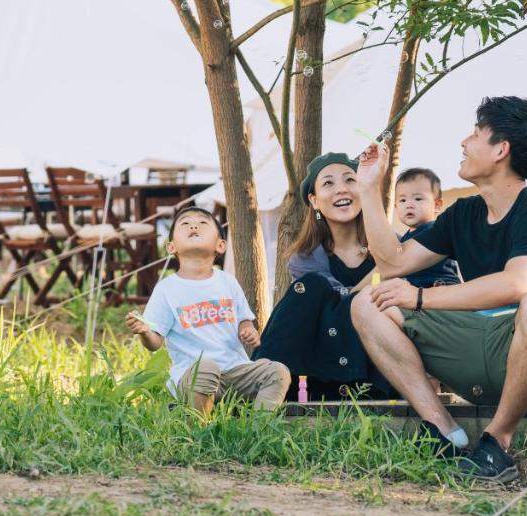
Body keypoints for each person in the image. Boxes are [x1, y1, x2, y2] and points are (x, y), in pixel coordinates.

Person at [352, 96, 527, 483]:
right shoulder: (464, 213)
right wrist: (367, 188)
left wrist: (419, 297)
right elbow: (392, 263)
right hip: (485, 345)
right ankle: (444, 432)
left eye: (475, 134)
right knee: (368, 303)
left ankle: (497, 445)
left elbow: (515, 283)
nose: (463, 143)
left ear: (501, 150)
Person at [126, 206, 290, 414]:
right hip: (194, 375)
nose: (193, 225)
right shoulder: (167, 289)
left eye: (203, 223)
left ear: (221, 245)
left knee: (278, 371)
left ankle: (258, 426)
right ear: (171, 247)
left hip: (235, 371)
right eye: (185, 223)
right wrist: (144, 332)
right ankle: (200, 428)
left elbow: (244, 319)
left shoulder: (227, 282)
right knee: (207, 366)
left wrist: (248, 329)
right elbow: (155, 342)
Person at [253, 153, 385, 400]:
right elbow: (339, 303)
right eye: (328, 183)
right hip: (324, 363)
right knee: (312, 287)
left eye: (350, 180)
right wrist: (382, 272)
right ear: (313, 200)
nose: (341, 189)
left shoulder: (388, 246)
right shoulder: (305, 258)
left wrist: (386, 265)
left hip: (375, 359)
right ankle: (262, 379)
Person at [393, 167, 461, 289]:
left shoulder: (434, 230)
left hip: (439, 287)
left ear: (436, 205)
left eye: (418, 199)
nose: (409, 205)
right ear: (396, 206)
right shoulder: (406, 236)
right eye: (402, 200)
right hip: (415, 290)